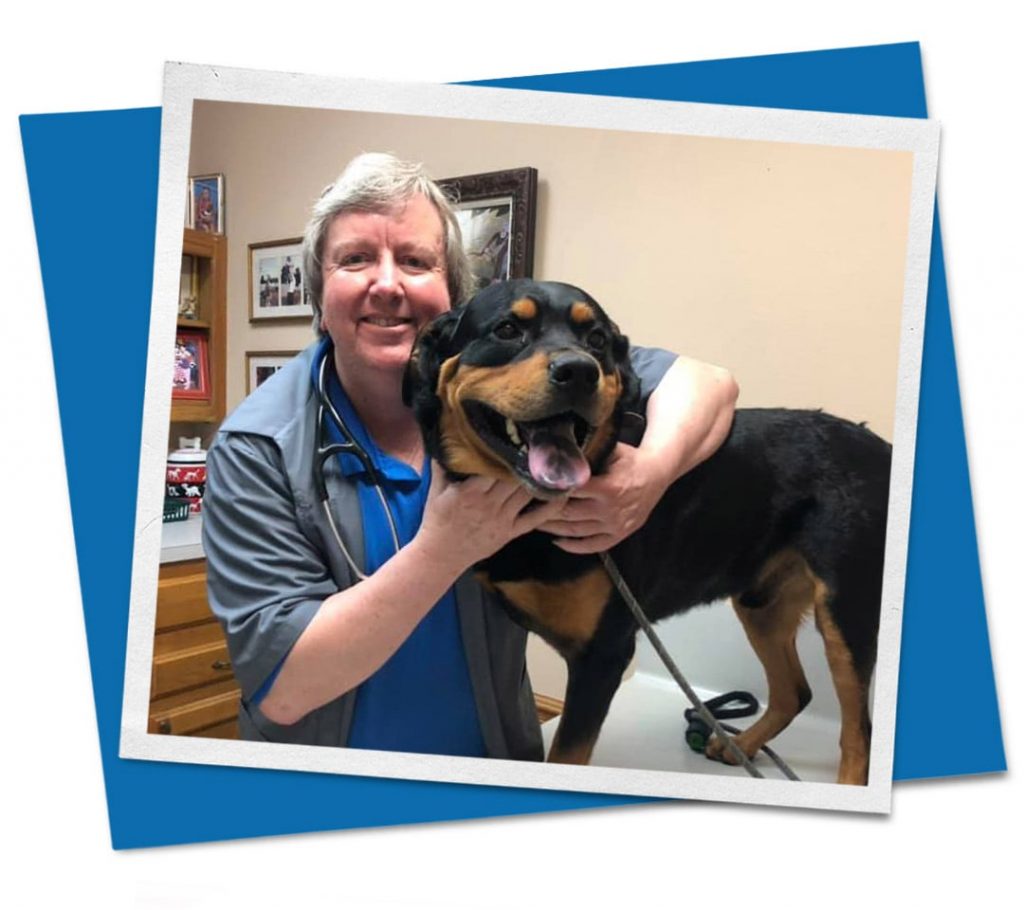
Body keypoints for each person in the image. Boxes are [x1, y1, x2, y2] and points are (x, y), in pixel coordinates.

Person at [202, 152, 738, 758]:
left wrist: (651, 474)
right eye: (355, 259)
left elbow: (711, 383)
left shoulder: (520, 375)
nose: (388, 283)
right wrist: (448, 547)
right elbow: (283, 688)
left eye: (415, 261)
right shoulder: (255, 449)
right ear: (318, 295)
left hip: (497, 757)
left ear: (453, 297)